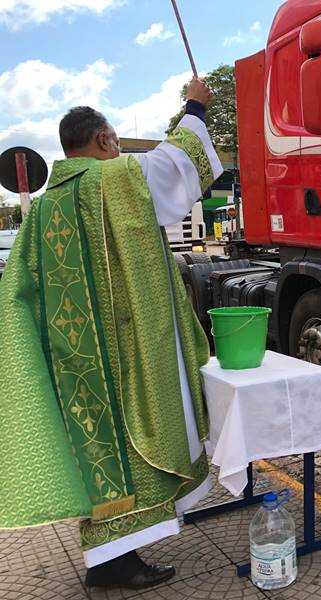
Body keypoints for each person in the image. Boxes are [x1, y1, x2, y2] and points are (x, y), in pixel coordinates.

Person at [0, 77, 223, 590]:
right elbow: (176, 164)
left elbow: (19, 288)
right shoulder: (115, 179)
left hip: (73, 358)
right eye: (117, 141)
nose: (120, 150)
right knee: (133, 447)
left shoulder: (45, 207)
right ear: (103, 140)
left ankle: (107, 559)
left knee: (95, 455)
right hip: (125, 353)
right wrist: (195, 107)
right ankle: (115, 563)